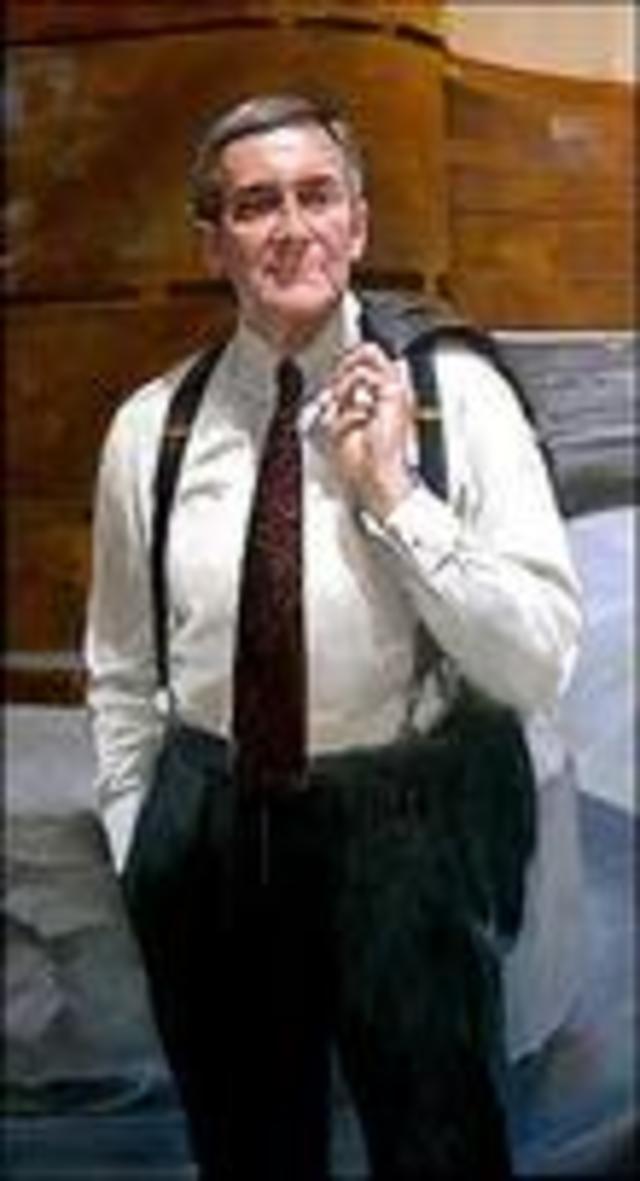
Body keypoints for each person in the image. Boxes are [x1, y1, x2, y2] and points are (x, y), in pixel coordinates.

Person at [85, 93, 583, 1179]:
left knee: (440, 1145)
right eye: (255, 204)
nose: (291, 227)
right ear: (212, 242)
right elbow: (122, 665)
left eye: (317, 196)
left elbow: (538, 657)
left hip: (403, 826)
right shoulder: (149, 428)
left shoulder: (456, 397)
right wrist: (141, 838)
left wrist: (396, 497)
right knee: (247, 1146)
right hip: (213, 828)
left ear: (358, 223)